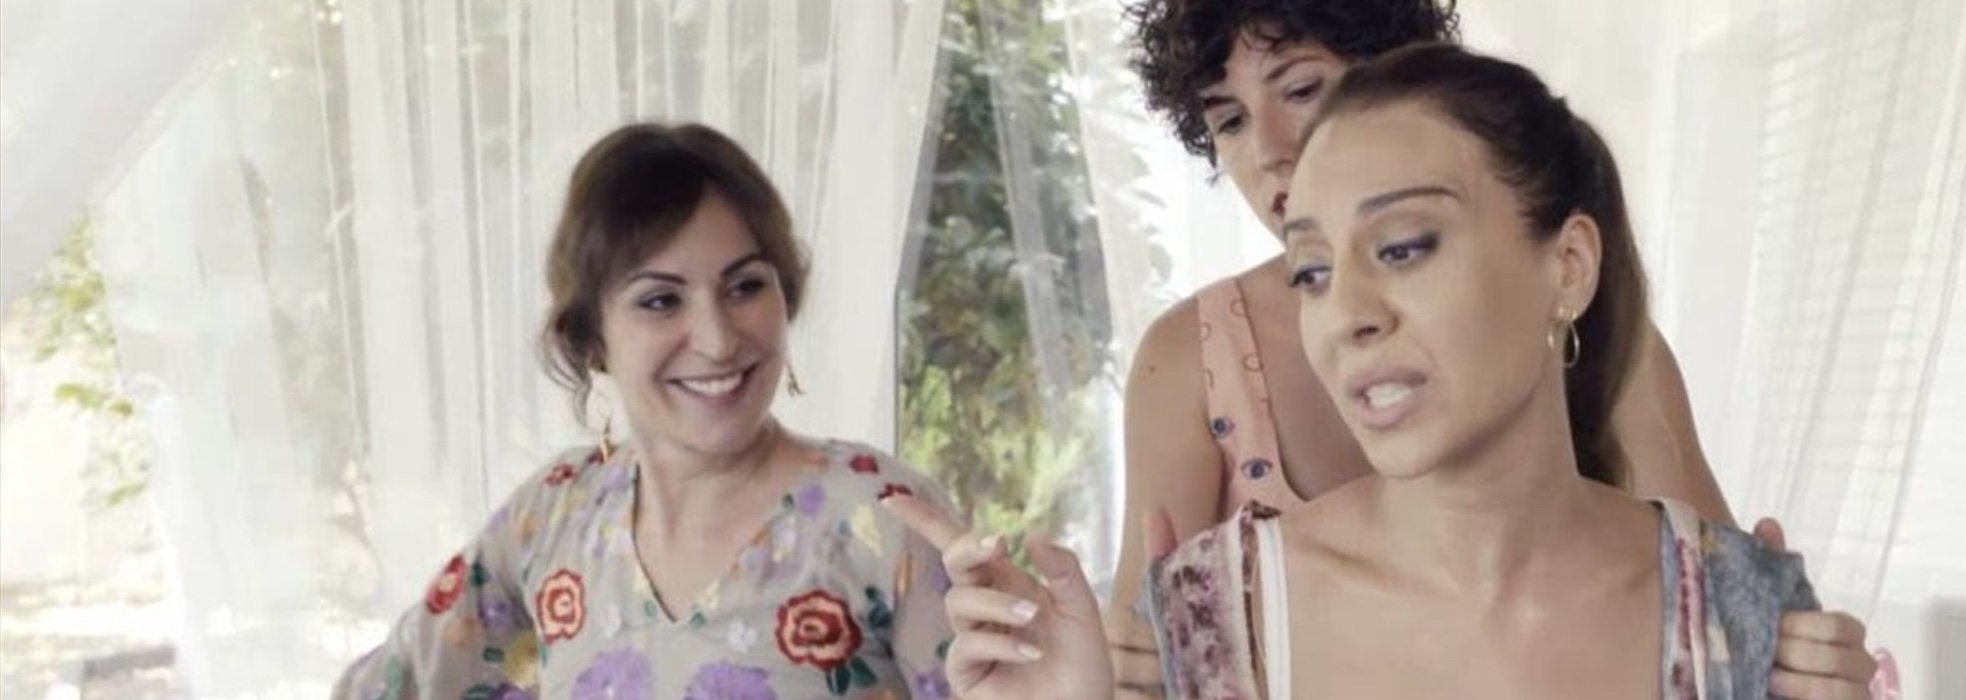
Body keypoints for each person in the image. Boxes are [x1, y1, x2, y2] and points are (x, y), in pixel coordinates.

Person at [887, 43, 1860, 699]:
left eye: (1402, 247)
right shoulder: (1208, 618)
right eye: (1311, 271)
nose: (1347, 314)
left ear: (1567, 266)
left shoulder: (1740, 614)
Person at [336, 123, 957, 699]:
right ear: (592, 336)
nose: (717, 340)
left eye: (745, 287)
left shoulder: (887, 519)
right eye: (661, 301)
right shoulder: (551, 517)